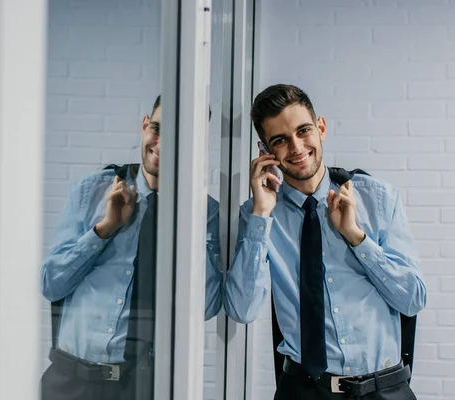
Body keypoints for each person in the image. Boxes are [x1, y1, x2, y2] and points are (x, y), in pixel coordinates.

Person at [223, 84, 426, 399]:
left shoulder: (377, 199)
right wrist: (261, 216)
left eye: (303, 130)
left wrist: (356, 238)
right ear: (265, 151)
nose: (296, 146)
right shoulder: (257, 219)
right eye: (280, 140)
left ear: (321, 128)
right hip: (303, 391)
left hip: (384, 389)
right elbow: (242, 310)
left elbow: (413, 299)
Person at [40, 95, 223, 400]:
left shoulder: (205, 213)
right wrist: (104, 230)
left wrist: (192, 219)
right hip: (68, 382)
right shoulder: (93, 191)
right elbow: (50, 284)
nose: (163, 144)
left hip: (139, 388)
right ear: (144, 126)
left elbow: (205, 308)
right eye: (157, 128)